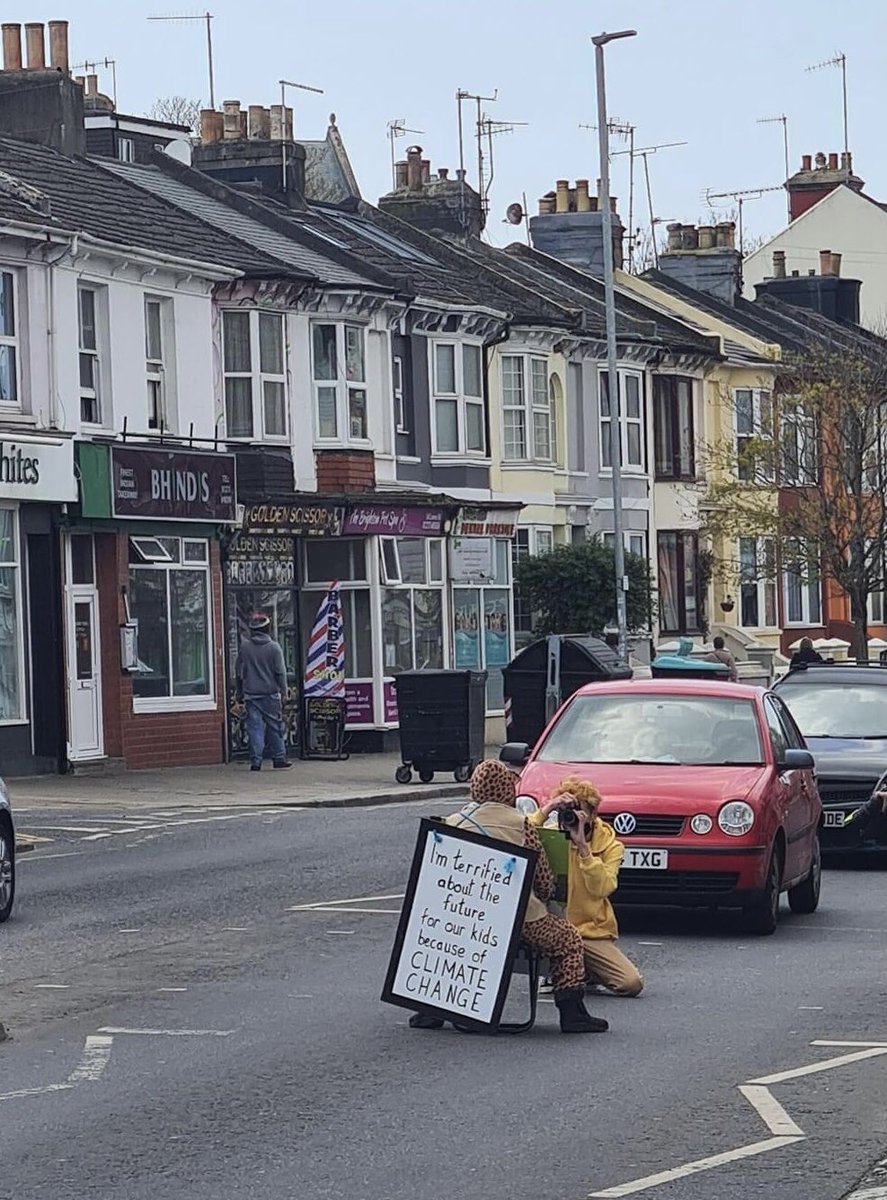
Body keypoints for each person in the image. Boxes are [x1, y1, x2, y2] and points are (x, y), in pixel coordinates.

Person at [410, 760, 608, 1034]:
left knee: (443, 942)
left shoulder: (452, 823)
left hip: (460, 920)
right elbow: (542, 880)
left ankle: (428, 1010)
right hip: (517, 919)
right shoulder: (520, 825)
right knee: (568, 940)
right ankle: (572, 1014)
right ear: (507, 790)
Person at [530, 777, 643, 998]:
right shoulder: (551, 836)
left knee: (631, 983)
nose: (569, 816)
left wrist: (583, 847)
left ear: (592, 814)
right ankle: (571, 969)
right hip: (556, 929)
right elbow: (519, 836)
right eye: (565, 811)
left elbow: (603, 888)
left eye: (576, 811)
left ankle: (582, 969)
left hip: (590, 932)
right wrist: (548, 809)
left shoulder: (611, 846)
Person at [235, 613, 292, 772]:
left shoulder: (245, 648)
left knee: (254, 728)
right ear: (268, 629)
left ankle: (256, 761)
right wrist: (284, 691)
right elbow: (281, 672)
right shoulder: (274, 647)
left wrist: (239, 692)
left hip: (251, 694)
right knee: (275, 726)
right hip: (270, 694)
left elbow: (239, 671)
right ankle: (279, 758)